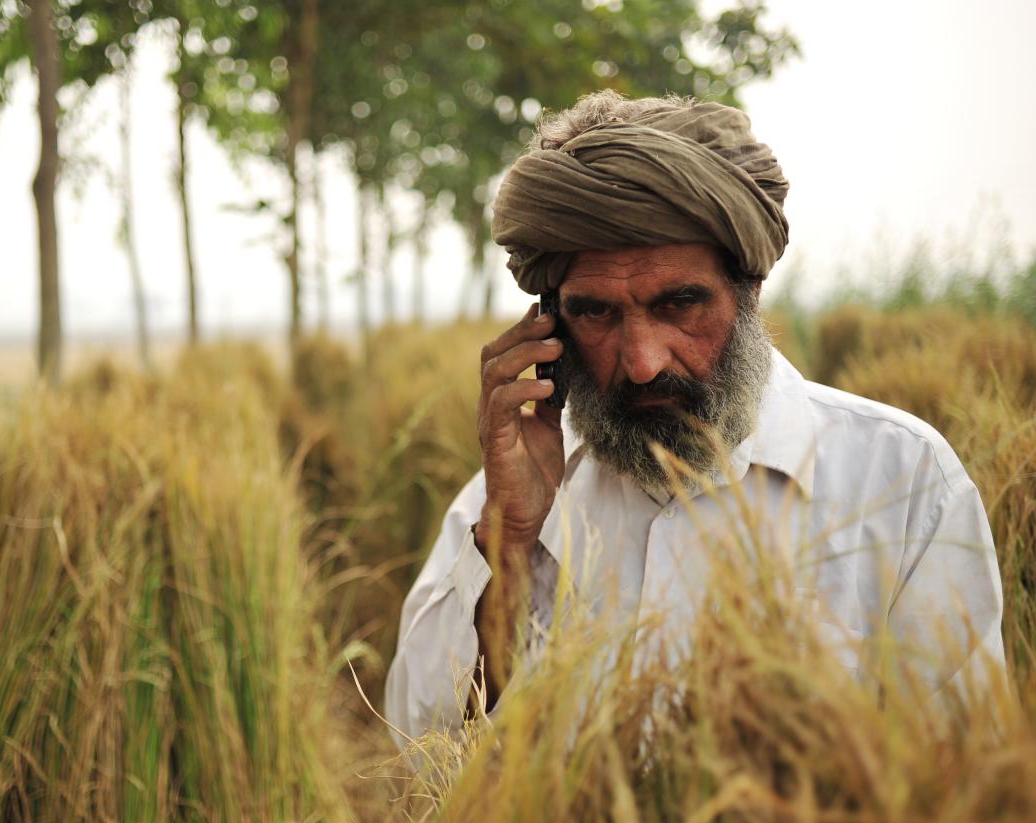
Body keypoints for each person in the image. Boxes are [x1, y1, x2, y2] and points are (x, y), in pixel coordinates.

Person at [384, 90, 1007, 739]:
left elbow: (962, 777)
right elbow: (417, 750)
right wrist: (508, 544)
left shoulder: (901, 480)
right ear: (551, 325)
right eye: (596, 313)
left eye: (679, 304)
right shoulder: (506, 499)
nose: (644, 362)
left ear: (749, 291)